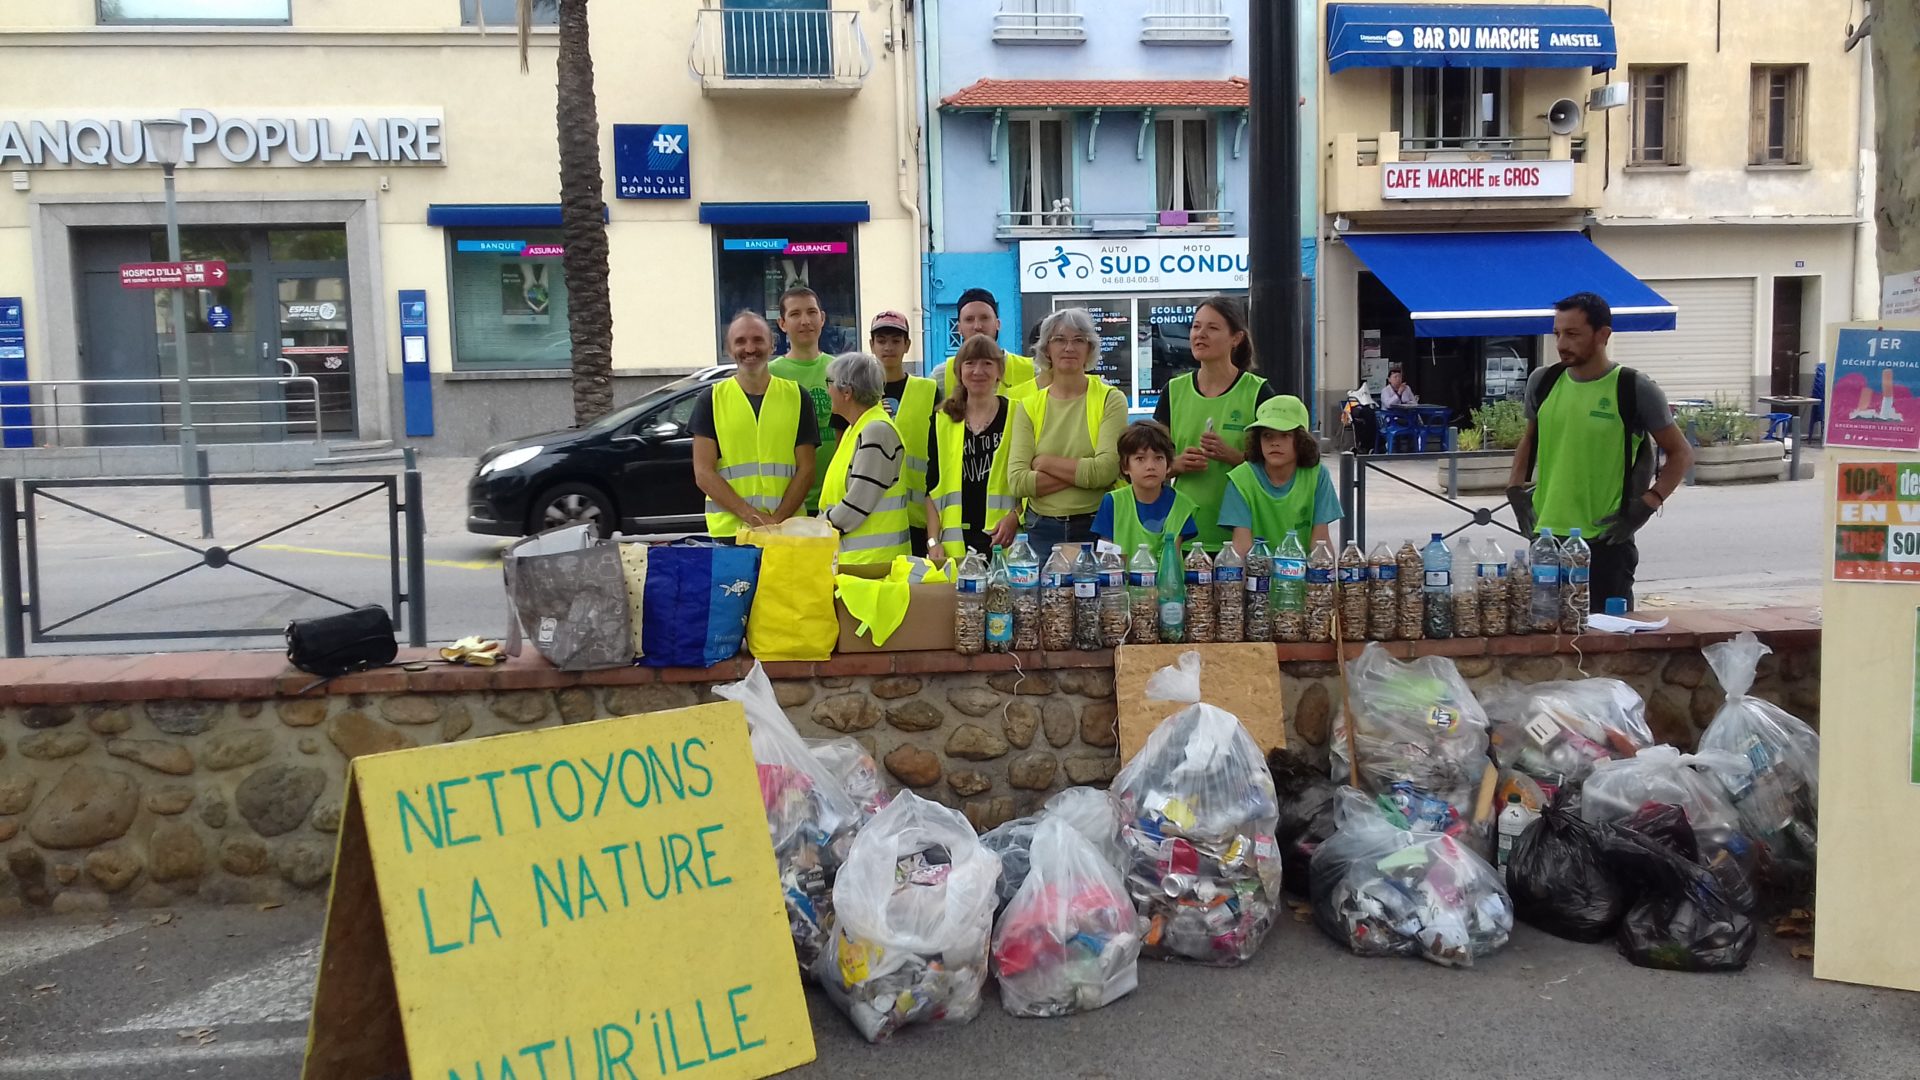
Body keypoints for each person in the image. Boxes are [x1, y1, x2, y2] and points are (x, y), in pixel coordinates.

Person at [1507, 292, 1692, 611]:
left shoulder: (1632, 388)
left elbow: (1681, 453)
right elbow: (1530, 438)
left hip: (1605, 543)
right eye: (1557, 334)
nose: (1562, 343)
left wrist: (1648, 504)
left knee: (1607, 647)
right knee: (1546, 640)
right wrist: (1514, 487)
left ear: (1603, 335)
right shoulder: (1544, 381)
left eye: (1573, 334)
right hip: (1546, 540)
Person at [1153, 294, 1276, 550]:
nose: (1200, 334)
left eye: (1212, 328)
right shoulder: (1173, 391)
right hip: (1183, 536)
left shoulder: (1258, 392)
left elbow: (1280, 468)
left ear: (1236, 338)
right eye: (1196, 327)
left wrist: (1233, 456)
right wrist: (1175, 465)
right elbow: (1148, 461)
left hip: (1243, 536)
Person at [1006, 307, 1128, 558]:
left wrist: (1044, 462)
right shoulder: (1028, 406)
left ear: (1090, 349)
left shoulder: (1110, 399)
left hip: (1097, 526)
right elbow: (1018, 481)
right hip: (1041, 529)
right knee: (1043, 599)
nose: (1069, 347)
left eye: (1078, 340)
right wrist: (1086, 476)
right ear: (1046, 350)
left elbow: (1106, 471)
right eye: (1059, 340)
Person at [691, 311, 820, 541]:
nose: (749, 349)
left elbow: (807, 469)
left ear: (772, 345)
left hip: (786, 531)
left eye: (758, 340)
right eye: (740, 341)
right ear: (729, 349)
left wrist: (777, 520)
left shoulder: (798, 397)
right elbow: (703, 473)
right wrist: (754, 518)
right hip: (730, 535)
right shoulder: (711, 399)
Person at [924, 334, 1019, 560]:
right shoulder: (942, 419)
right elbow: (931, 488)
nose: (978, 371)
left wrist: (1015, 518)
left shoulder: (1018, 414)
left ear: (1000, 371)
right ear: (959, 371)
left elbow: (1029, 481)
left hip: (1007, 541)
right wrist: (932, 541)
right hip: (954, 547)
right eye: (970, 363)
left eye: (987, 363)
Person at [819, 351, 911, 564]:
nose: (827, 390)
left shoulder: (875, 432)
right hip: (856, 564)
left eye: (829, 383)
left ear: (847, 392)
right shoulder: (858, 428)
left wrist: (816, 530)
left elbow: (857, 504)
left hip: (871, 567)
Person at [1221, 396, 1342, 554]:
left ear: (1301, 440)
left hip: (1304, 574)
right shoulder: (1240, 479)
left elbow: (1320, 542)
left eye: (1285, 435)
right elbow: (1241, 547)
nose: (1274, 443)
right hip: (1257, 575)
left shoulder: (1318, 475)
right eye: (1267, 435)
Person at [869, 309, 940, 554]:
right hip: (874, 515)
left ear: (907, 344)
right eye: (882, 341)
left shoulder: (928, 390)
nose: (888, 347)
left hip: (919, 516)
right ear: (871, 345)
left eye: (896, 340)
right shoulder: (859, 393)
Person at [769, 286, 836, 513]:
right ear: (782, 323)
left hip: (838, 500)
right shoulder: (770, 376)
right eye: (795, 314)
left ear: (822, 318)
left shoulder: (840, 370)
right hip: (789, 503)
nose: (805, 320)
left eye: (811, 312)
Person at [1094, 420, 1199, 555]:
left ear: (1168, 465)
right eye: (1140, 459)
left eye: (1159, 458)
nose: (1150, 466)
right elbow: (1105, 556)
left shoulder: (1182, 505)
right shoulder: (1112, 502)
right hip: (1122, 576)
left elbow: (1174, 557)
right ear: (1125, 466)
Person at [931, 288, 1037, 397]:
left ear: (998, 324)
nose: (977, 326)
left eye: (984, 318)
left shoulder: (1033, 371)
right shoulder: (941, 376)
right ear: (959, 328)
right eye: (969, 319)